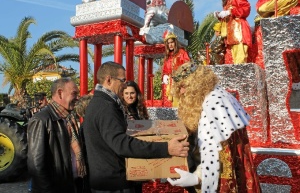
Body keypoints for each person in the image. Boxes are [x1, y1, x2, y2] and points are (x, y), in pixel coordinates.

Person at [83, 61, 189, 193]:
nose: (124, 85)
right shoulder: (105, 107)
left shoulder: (100, 103)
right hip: (114, 185)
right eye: (122, 80)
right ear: (109, 80)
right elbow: (121, 144)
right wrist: (166, 148)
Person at [167, 62, 261, 192]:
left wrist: (197, 178)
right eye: (179, 88)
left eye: (183, 86)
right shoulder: (216, 96)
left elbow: (218, 155)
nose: (181, 92)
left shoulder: (212, 104)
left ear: (196, 84)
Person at [27, 78, 87, 193]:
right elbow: (36, 165)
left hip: (72, 184)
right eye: (74, 93)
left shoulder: (69, 118)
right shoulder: (41, 120)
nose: (77, 98)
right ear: (60, 93)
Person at [214, 0, 252, 64]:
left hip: (239, 32)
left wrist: (230, 12)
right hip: (230, 36)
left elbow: (246, 9)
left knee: (240, 62)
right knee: (233, 63)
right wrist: (220, 15)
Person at [162, 31, 190, 107]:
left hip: (181, 82)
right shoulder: (167, 56)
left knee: (180, 104)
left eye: (172, 42)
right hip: (170, 84)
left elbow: (188, 67)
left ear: (175, 42)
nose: (170, 45)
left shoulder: (182, 53)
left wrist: (183, 84)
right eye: (168, 43)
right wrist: (165, 75)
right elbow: (165, 70)